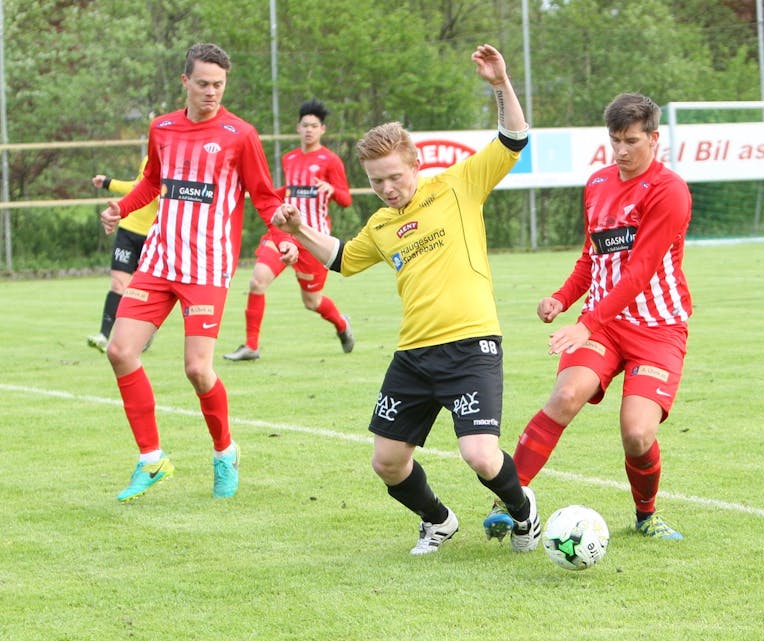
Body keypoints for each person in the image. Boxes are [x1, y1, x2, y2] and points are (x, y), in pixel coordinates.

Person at [272, 44, 540, 555]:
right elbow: (344, 259)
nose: (388, 188)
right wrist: (300, 229)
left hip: (471, 344)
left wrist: (499, 83)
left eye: (395, 176)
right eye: (377, 182)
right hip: (414, 355)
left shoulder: (458, 184)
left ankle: (524, 512)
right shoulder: (380, 223)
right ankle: (438, 520)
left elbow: (514, 137)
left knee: (481, 456)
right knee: (387, 462)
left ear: (414, 163)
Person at [488, 92, 692, 541]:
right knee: (565, 396)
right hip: (604, 325)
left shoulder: (669, 191)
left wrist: (585, 323)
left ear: (654, 139)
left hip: (657, 330)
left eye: (632, 141)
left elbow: (640, 271)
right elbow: (592, 257)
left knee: (637, 434)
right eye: (615, 140)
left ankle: (646, 516)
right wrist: (562, 299)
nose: (621, 151)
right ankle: (510, 500)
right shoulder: (598, 184)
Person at [98, 43, 296, 502]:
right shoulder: (162, 128)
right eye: (203, 83)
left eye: (219, 85)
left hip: (206, 267)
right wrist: (120, 208)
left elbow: (264, 195)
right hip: (159, 260)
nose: (211, 92)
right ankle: (152, 460)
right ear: (184, 81)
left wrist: (281, 237)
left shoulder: (239, 134)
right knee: (120, 350)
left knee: (197, 370)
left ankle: (225, 452)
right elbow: (151, 183)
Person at [224, 98, 354, 361]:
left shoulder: (331, 161)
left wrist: (332, 190)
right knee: (257, 280)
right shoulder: (290, 158)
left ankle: (341, 324)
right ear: (298, 128)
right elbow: (290, 191)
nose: (309, 130)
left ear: (322, 130)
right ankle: (251, 346)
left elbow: (346, 199)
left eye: (314, 126)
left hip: (313, 238)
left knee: (312, 302)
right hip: (284, 231)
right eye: (305, 125)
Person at [88, 158, 158, 353]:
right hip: (128, 230)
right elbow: (138, 187)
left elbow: (147, 190)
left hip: (152, 234)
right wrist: (108, 183)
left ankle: (146, 330)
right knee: (118, 283)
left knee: (140, 290)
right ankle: (103, 336)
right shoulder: (149, 159)